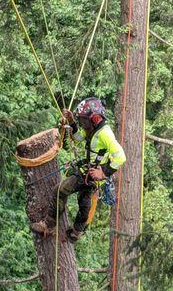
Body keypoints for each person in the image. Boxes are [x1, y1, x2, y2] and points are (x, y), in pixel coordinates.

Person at [30, 97, 126, 242]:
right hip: (90, 172)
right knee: (84, 201)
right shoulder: (92, 129)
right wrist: (71, 121)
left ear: (94, 118)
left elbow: (121, 156)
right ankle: (77, 232)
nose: (83, 124)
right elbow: (77, 137)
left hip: (93, 174)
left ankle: (48, 225)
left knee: (60, 190)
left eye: (84, 120)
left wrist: (104, 172)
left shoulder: (105, 133)